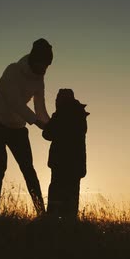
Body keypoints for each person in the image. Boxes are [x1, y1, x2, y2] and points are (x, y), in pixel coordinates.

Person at [0, 38, 52, 216]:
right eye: (43, 65)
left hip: (18, 129)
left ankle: (42, 214)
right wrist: (38, 123)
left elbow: (40, 109)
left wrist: (51, 125)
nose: (44, 70)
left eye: (47, 66)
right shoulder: (12, 70)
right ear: (33, 59)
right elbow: (15, 103)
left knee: (28, 169)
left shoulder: (39, 80)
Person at [42, 88, 89, 220]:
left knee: (56, 196)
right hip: (76, 164)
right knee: (72, 198)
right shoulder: (80, 115)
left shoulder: (60, 115)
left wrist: (52, 118)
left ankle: (52, 223)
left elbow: (47, 134)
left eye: (57, 99)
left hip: (60, 162)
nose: (56, 102)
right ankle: (70, 225)